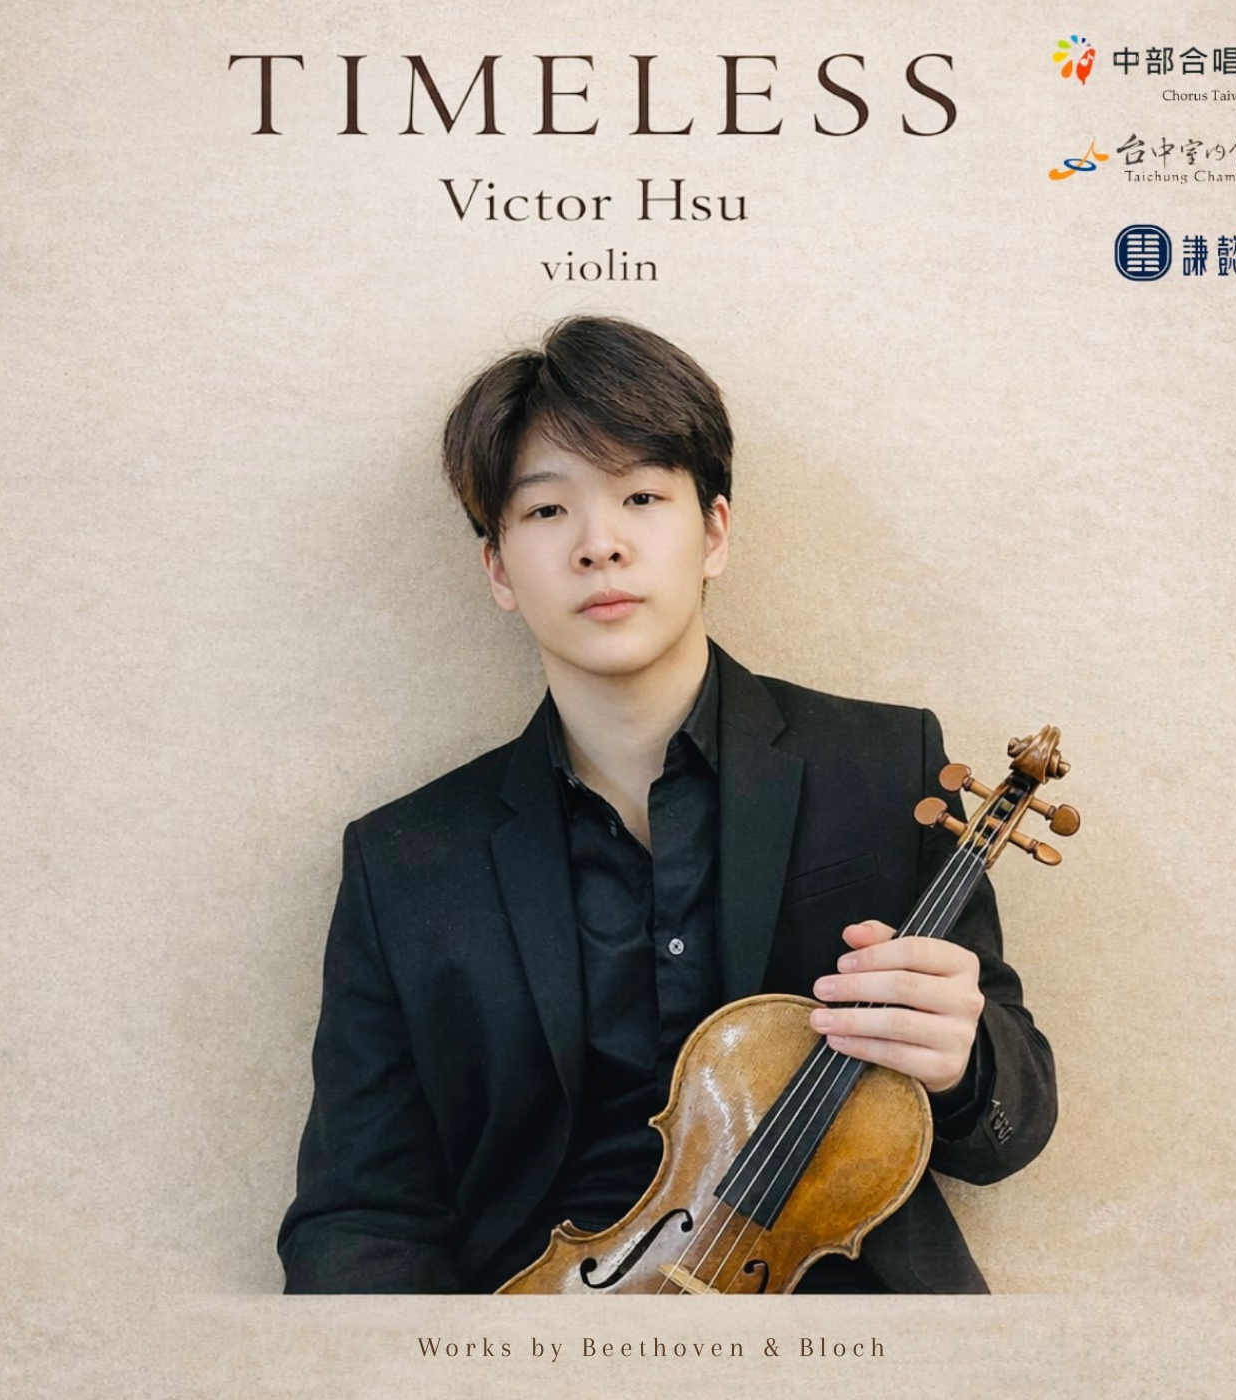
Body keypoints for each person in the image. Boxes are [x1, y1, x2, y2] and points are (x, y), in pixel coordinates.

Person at [277, 316, 1057, 1294]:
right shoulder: (404, 859)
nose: (599, 545)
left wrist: (962, 1057)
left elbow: (1009, 1129)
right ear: (498, 570)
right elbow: (362, 1210)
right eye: (546, 512)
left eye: (641, 496)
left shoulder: (880, 765)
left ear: (713, 531)